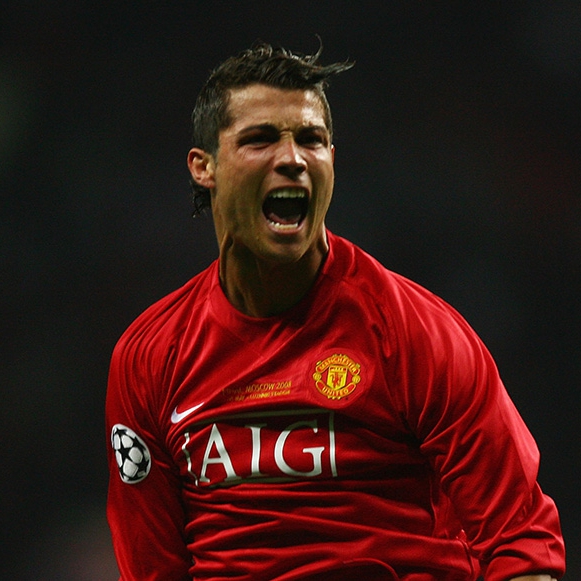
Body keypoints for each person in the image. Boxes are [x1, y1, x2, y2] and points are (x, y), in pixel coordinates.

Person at [106, 43, 566, 581]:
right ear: (203, 167)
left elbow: (520, 539)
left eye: (311, 140)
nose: (292, 159)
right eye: (260, 139)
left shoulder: (414, 332)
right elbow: (152, 567)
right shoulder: (149, 358)